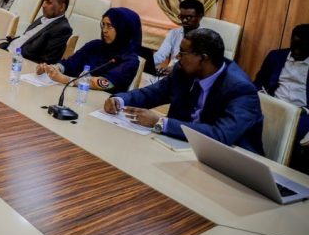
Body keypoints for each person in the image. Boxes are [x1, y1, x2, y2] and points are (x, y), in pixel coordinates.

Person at [105, 28, 265, 154]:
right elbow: (153, 93)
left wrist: (161, 122)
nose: (177, 56)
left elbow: (221, 135)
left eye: (182, 52)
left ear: (203, 58)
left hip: (230, 162)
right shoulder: (183, 71)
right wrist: (119, 100)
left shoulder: (240, 89)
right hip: (180, 147)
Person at [40, 7, 142, 93]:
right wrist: (54, 69)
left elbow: (106, 83)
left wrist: (67, 80)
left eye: (109, 26)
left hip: (99, 105)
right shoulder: (95, 45)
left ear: (124, 30)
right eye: (103, 25)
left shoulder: (130, 60)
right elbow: (70, 63)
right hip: (73, 94)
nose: (104, 30)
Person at [255, 24, 309, 171]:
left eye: (302, 48)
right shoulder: (276, 56)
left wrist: (304, 110)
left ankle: (284, 171)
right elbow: (259, 82)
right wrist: (262, 94)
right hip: (275, 104)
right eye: (294, 46)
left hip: (302, 111)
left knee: (296, 134)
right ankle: (256, 161)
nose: (296, 52)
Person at [3, 0, 73, 64]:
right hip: (8, 49)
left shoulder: (63, 29)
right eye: (44, 1)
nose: (43, 5)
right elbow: (27, 37)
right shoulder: (44, 17)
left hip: (18, 61)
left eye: (48, 2)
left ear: (62, 7)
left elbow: (46, 61)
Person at [153, 0, 204, 75]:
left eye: (189, 17)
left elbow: (198, 65)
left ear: (200, 16)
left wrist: (175, 69)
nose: (184, 20)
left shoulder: (205, 38)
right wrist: (150, 63)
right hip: (169, 74)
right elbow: (161, 54)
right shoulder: (174, 33)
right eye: (182, 17)